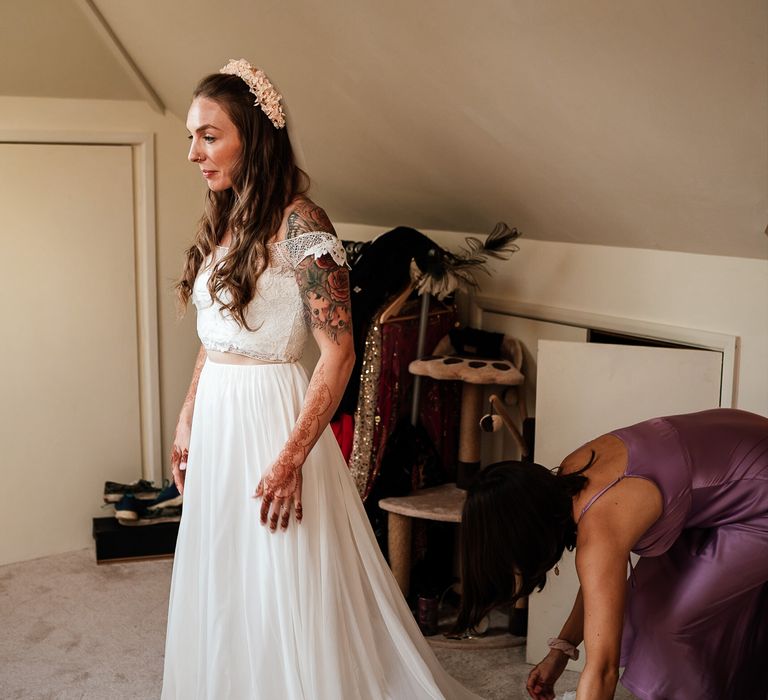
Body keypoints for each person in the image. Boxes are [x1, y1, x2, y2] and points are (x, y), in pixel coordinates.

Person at [161, 58, 479, 699]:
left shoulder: (305, 224)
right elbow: (218, 334)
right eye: (191, 137)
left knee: (284, 573)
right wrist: (188, 415)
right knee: (225, 570)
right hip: (219, 414)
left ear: (253, 134)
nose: (194, 152)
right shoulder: (227, 217)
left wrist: (291, 459)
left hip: (272, 420)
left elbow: (338, 353)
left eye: (209, 135)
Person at [456, 408, 768, 700]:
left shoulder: (602, 527)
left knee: (670, 631)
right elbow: (599, 585)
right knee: (645, 599)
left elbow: (602, 669)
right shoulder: (572, 473)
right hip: (738, 458)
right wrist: (560, 652)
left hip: (760, 499)